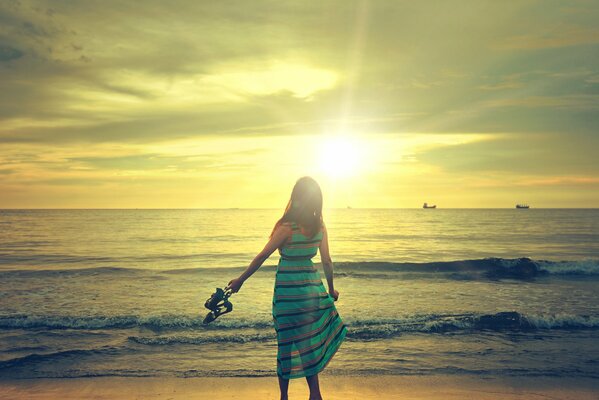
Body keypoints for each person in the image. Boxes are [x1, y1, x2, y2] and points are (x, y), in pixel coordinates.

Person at [227, 176, 347, 400]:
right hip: (311, 294)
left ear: (295, 197)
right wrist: (331, 289)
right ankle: (315, 394)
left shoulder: (287, 228)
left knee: (285, 346)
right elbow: (327, 261)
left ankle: (284, 397)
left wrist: (240, 280)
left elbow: (263, 255)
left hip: (287, 295)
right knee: (307, 344)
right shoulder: (320, 227)